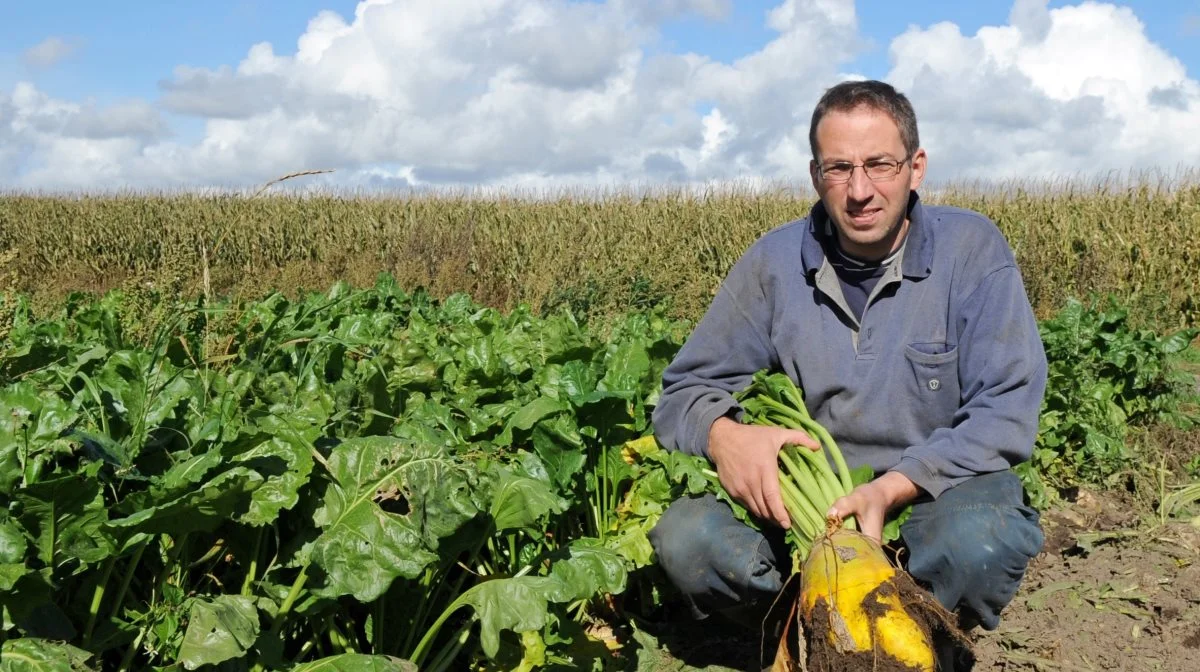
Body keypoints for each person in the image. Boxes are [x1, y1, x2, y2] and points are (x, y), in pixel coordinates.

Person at [648, 80, 1047, 668]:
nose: (860, 190)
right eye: (840, 168)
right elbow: (682, 393)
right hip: (812, 516)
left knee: (979, 542)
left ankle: (921, 633)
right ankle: (811, 625)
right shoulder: (773, 264)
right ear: (816, 176)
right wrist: (724, 435)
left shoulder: (972, 250)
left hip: (928, 499)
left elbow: (1007, 409)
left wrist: (892, 487)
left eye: (879, 165)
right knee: (688, 540)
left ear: (915, 168)